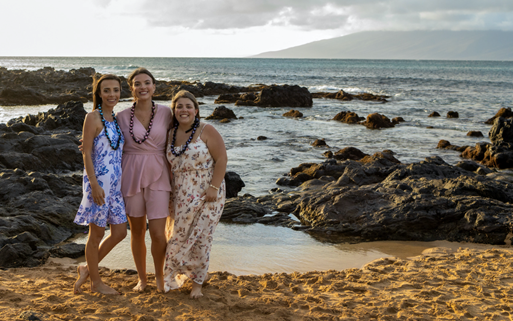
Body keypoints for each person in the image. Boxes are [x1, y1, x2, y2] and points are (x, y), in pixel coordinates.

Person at [163, 90, 227, 299]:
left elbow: (222, 160)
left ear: (196, 110)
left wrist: (214, 188)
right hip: (180, 193)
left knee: (202, 238)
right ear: (174, 110)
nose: (184, 110)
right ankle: (174, 276)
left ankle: (197, 284)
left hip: (207, 191)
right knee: (177, 236)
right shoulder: (170, 133)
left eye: (188, 106)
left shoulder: (206, 130)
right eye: (179, 106)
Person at [116, 68, 173, 292]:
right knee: (138, 231)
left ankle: (160, 277)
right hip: (130, 174)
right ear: (132, 88)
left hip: (159, 174)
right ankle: (142, 278)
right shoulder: (121, 116)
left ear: (154, 86)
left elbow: (187, 130)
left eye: (147, 83)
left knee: (159, 234)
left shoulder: (167, 113)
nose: (143, 87)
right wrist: (87, 142)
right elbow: (106, 136)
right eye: (137, 84)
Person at [73, 74, 127, 295]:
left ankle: (87, 268)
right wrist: (94, 184)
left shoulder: (115, 119)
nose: (112, 94)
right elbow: (86, 153)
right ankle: (96, 282)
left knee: (120, 231)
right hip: (98, 185)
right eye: (107, 90)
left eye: (115, 90)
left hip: (115, 186)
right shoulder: (92, 117)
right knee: (95, 235)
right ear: (99, 93)